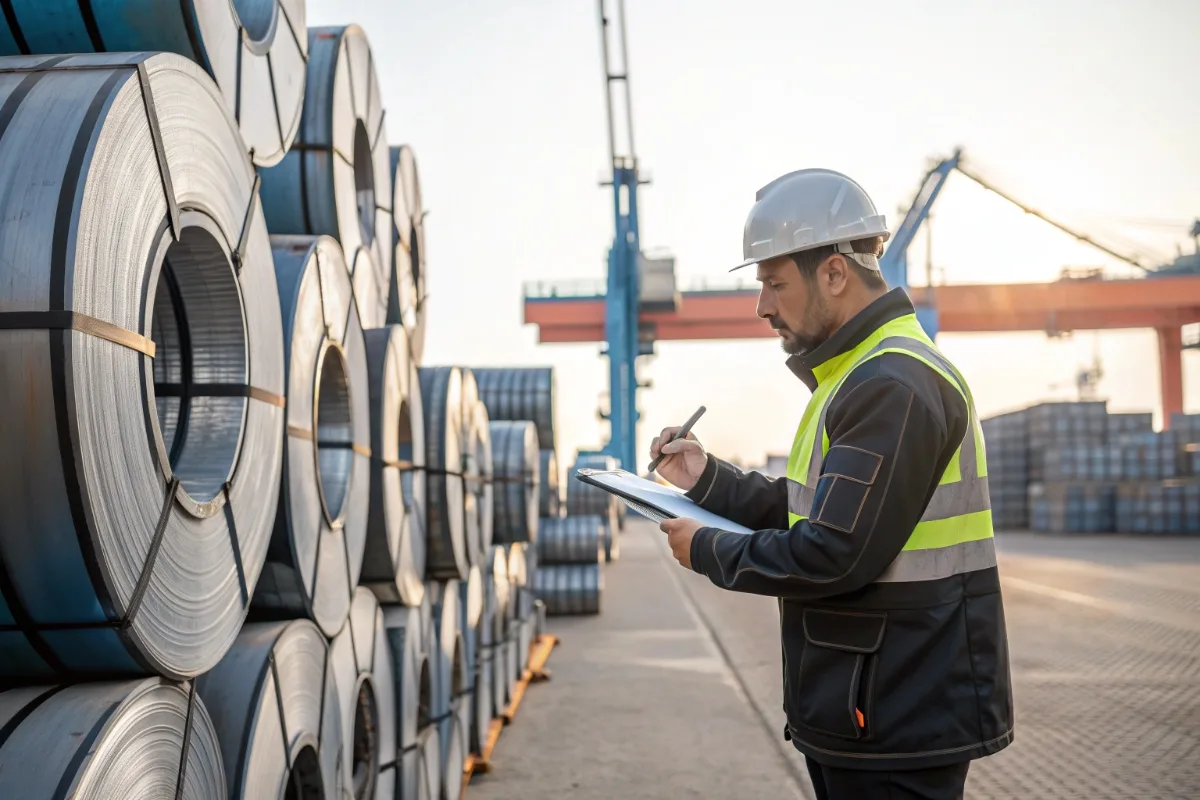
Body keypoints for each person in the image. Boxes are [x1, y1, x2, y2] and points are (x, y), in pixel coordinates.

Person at [650, 168, 1013, 800]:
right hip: (875, 702)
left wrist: (708, 549)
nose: (762, 305)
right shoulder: (859, 378)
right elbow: (809, 512)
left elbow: (832, 553)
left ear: (835, 275)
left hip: (898, 715)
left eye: (773, 283)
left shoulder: (890, 385)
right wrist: (706, 480)